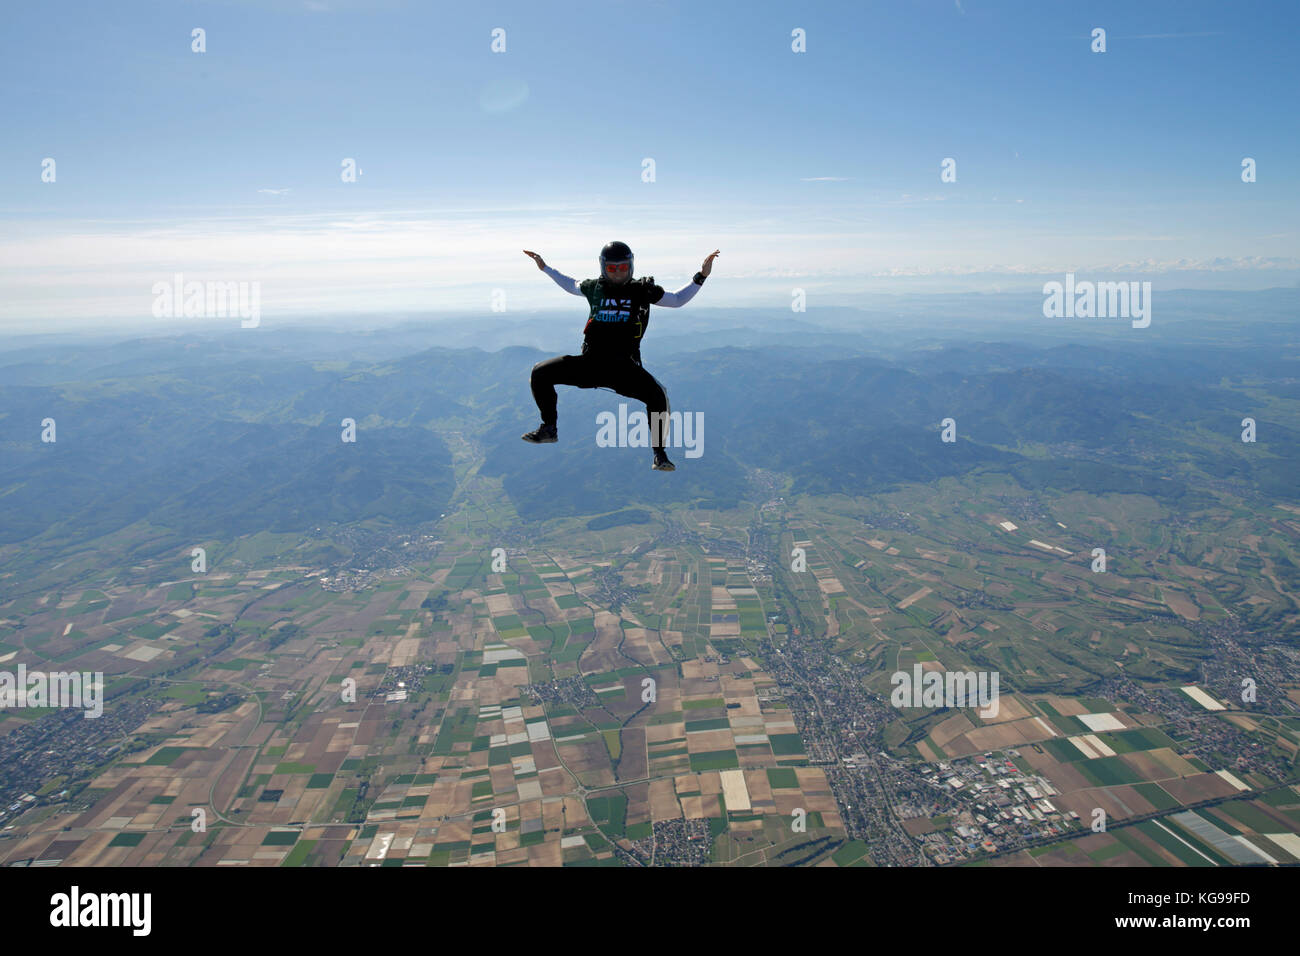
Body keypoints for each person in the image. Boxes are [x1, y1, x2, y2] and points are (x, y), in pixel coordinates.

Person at [521, 241, 719, 471]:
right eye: (612, 268)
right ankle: (549, 429)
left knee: (658, 396)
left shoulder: (642, 290)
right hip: (590, 365)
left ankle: (659, 454)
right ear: (603, 267)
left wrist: (701, 276)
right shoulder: (594, 288)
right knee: (540, 373)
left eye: (623, 267)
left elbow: (676, 300)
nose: (618, 273)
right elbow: (571, 285)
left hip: (624, 370)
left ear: (631, 266)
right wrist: (545, 267)